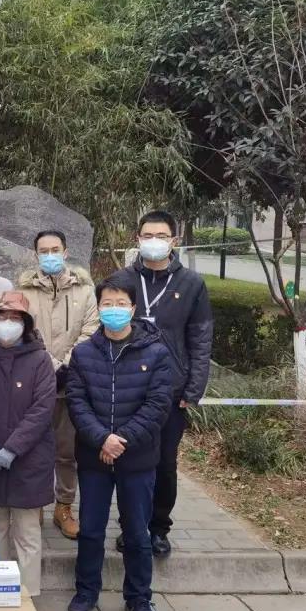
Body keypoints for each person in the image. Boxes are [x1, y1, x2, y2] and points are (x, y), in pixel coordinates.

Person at [64, 278, 172, 611]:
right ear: (99, 308)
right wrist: (102, 439)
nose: (114, 310)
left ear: (133, 308)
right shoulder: (84, 354)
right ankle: (86, 591)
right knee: (91, 529)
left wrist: (120, 440)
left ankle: (139, 598)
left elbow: (158, 405)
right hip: (94, 456)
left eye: (121, 303)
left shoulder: (155, 352)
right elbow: (77, 402)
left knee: (137, 532)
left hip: (137, 458)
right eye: (107, 304)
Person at [108, 211, 213, 557]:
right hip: (128, 388)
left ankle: (158, 528)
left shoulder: (191, 284)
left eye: (161, 236)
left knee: (165, 463)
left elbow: (200, 338)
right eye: (147, 235)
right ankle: (131, 527)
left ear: (174, 241)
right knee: (130, 463)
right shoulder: (122, 279)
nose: (154, 241)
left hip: (171, 391)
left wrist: (193, 389)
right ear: (137, 239)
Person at [0, 291, 57, 595]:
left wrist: (13, 448)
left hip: (30, 460)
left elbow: (43, 408)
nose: (7, 323)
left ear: (26, 324)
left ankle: (27, 596)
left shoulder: (41, 360)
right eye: (2, 317)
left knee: (27, 531)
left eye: (15, 318)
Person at [18, 229, 99, 541]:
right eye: (44, 251)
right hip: (35, 382)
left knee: (67, 451)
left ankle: (64, 506)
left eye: (55, 250)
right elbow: (23, 330)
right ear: (36, 254)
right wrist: (50, 366)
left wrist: (67, 365)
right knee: (33, 448)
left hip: (72, 382)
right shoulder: (24, 290)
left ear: (65, 252)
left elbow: (91, 329)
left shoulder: (85, 290)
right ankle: (35, 503)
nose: (50, 255)